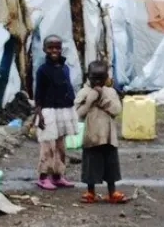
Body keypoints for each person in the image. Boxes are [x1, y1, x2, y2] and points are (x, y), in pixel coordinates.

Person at [75, 60, 126, 205]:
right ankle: (90, 192)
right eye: (94, 78)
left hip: (109, 137)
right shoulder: (83, 92)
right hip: (91, 136)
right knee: (91, 166)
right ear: (88, 76)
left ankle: (112, 192)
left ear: (107, 77)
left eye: (101, 78)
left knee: (111, 165)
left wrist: (102, 99)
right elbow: (78, 113)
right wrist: (89, 101)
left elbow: (117, 110)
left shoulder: (110, 92)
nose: (97, 82)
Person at [32, 36, 79, 191]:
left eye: (57, 47)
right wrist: (39, 114)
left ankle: (58, 176)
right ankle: (43, 177)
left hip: (64, 109)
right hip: (48, 110)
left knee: (60, 146)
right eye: (51, 48)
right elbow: (38, 94)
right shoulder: (42, 70)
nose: (54, 51)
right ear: (45, 49)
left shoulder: (65, 68)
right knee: (48, 146)